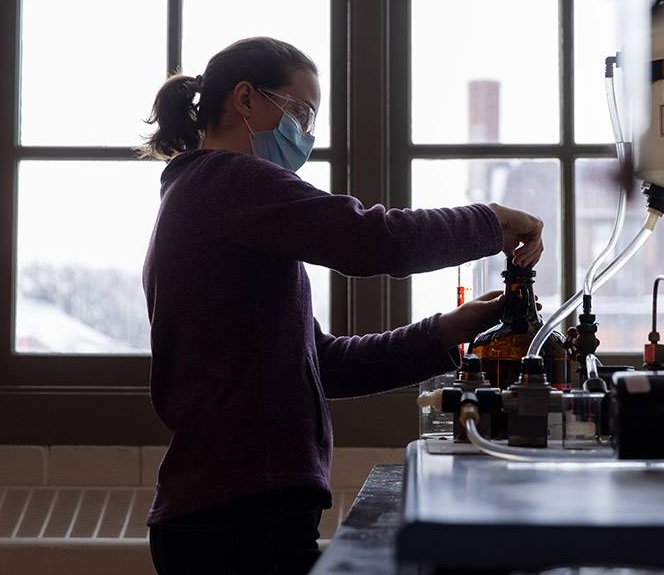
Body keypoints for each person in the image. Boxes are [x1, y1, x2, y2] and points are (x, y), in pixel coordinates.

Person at [140, 36, 544, 574]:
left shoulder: (216, 201)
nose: (305, 137)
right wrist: (490, 223)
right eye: (301, 114)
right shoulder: (227, 181)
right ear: (245, 99)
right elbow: (373, 239)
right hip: (235, 518)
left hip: (234, 507)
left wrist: (447, 331)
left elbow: (322, 364)